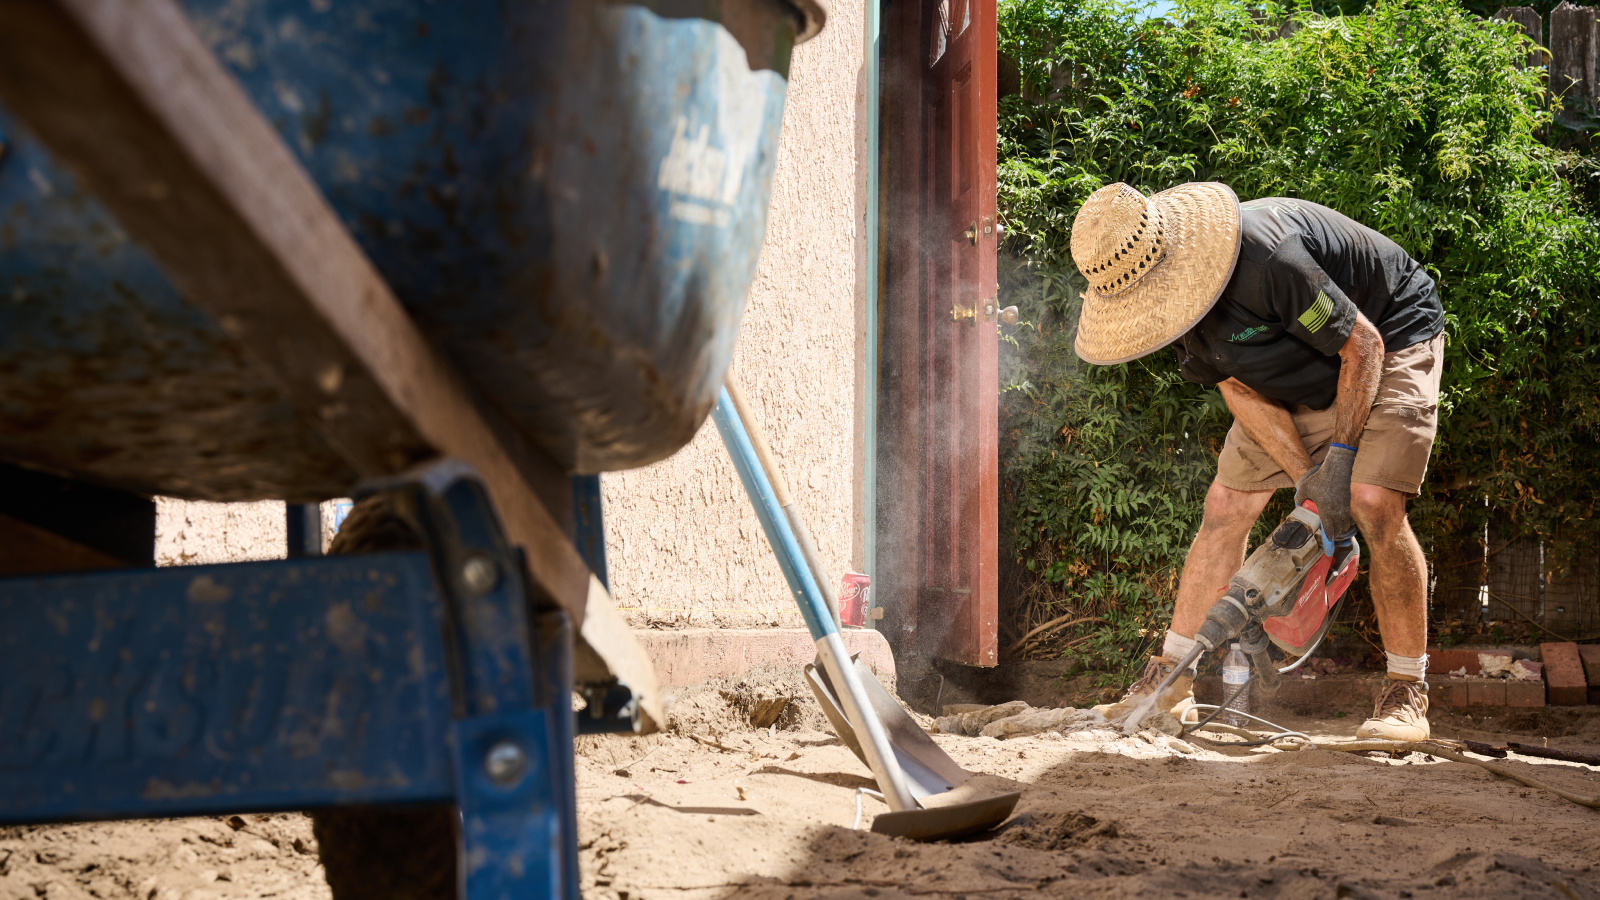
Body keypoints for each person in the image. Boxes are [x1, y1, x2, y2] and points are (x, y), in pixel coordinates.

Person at [1069, 182, 1444, 740]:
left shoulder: (1267, 259)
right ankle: (1169, 682)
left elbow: (1361, 347)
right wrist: (1307, 477)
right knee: (1225, 504)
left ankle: (1406, 690)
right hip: (1291, 374)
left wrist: (1340, 462)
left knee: (1372, 503)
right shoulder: (1163, 306)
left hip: (1389, 337)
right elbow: (1235, 385)